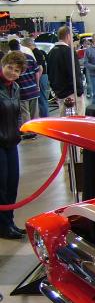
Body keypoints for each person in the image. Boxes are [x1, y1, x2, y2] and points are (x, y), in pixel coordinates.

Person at [0, 51, 28, 239]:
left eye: (16, 70)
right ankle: (3, 226)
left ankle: (9, 222)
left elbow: (17, 112)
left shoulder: (16, 87)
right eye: (10, 67)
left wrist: (19, 129)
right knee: (1, 185)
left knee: (12, 184)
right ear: (3, 65)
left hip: (12, 141)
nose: (12, 72)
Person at [47, 25, 85, 115]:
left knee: (64, 118)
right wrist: (80, 91)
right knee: (77, 119)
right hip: (72, 93)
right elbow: (75, 73)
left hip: (59, 94)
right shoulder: (69, 52)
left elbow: (50, 73)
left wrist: (55, 92)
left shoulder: (51, 52)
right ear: (68, 36)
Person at [9, 39, 40, 124]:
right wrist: (37, 85)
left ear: (10, 49)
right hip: (33, 89)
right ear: (19, 46)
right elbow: (37, 72)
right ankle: (36, 129)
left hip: (22, 91)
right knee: (35, 114)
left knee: (25, 114)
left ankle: (28, 130)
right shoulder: (29, 57)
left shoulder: (12, 61)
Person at [24, 38, 49, 117]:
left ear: (28, 45)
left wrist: (36, 81)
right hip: (44, 76)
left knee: (41, 100)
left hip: (41, 77)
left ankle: (44, 118)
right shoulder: (41, 52)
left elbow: (40, 68)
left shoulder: (35, 53)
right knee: (43, 99)